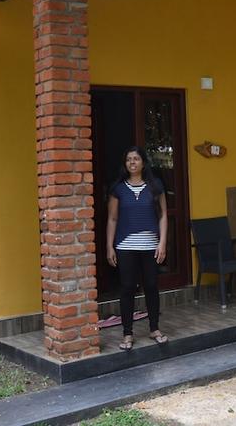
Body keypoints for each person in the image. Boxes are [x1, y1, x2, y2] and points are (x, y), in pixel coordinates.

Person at [106, 146, 169, 350]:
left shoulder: (155, 186)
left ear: (143, 162)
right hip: (125, 246)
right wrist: (110, 246)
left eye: (136, 159)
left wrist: (162, 243)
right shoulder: (118, 189)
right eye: (128, 159)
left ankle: (154, 329)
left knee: (151, 286)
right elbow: (112, 218)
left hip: (150, 245)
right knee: (127, 288)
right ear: (125, 164)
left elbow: (163, 216)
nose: (132, 162)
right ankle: (127, 334)